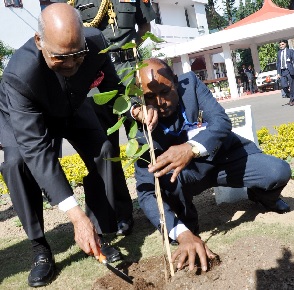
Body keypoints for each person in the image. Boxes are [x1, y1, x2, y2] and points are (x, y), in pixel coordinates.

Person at [0, 4, 126, 287]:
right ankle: (40, 248)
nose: (70, 65)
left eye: (78, 56)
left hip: (69, 106)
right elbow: (36, 149)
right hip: (23, 115)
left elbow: (114, 87)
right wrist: (74, 214)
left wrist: (135, 108)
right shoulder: (19, 75)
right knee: (17, 165)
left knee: (103, 150)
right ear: (39, 42)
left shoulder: (95, 42)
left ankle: (97, 231)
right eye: (61, 58)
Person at [131, 58, 291, 271]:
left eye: (165, 91)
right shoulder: (141, 127)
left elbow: (221, 122)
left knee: (277, 171)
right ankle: (189, 228)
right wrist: (181, 233)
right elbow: (146, 193)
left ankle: (262, 196)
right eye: (150, 97)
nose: (160, 102)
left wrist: (190, 148)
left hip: (226, 159)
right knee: (167, 177)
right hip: (188, 176)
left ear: (176, 82)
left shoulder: (192, 86)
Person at [64, 0, 156, 236]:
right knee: (107, 149)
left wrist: (132, 48)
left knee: (144, 141)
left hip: (129, 71)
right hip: (97, 77)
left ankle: (155, 204)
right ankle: (122, 214)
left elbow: (144, 26)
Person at [276, 39, 294, 105]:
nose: (281, 46)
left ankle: (292, 100)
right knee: (284, 86)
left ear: (285, 44)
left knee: (292, 86)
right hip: (282, 72)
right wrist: (278, 73)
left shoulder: (290, 51)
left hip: (289, 71)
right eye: (280, 45)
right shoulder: (278, 53)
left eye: (282, 44)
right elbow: (278, 64)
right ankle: (291, 96)